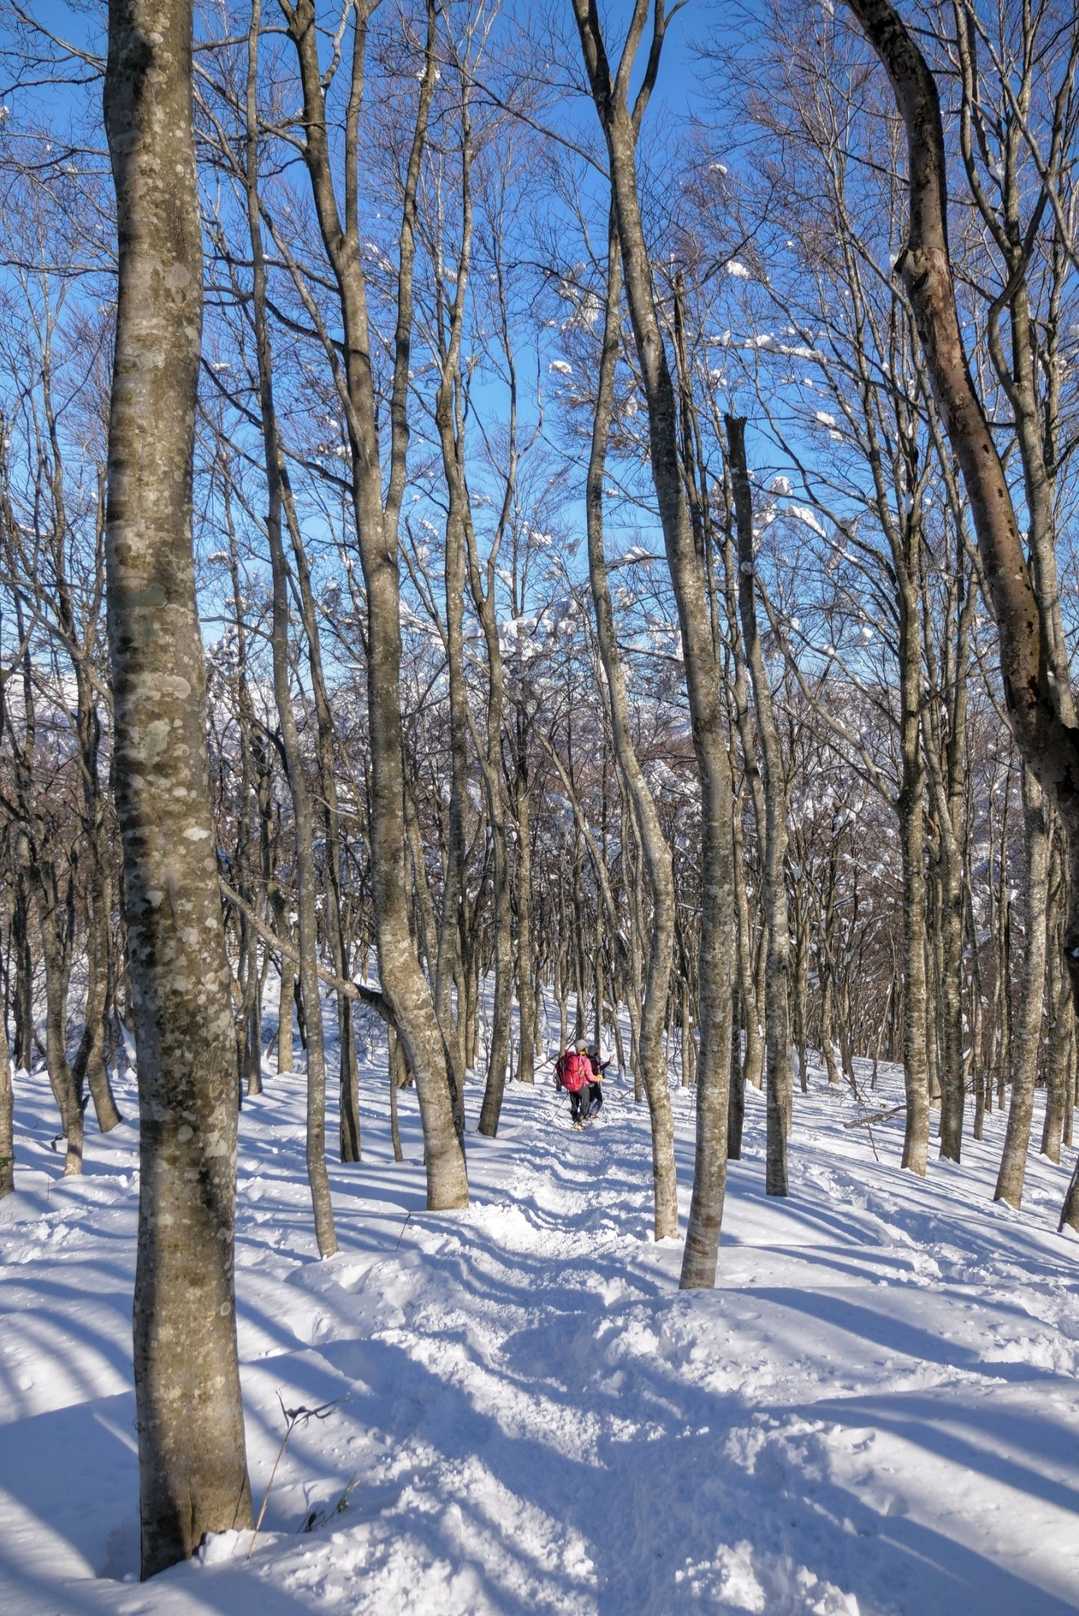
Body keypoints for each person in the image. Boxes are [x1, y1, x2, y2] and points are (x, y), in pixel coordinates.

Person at [555, 1040, 594, 1128]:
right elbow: (590, 1076)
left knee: (574, 1104)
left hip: (570, 1085)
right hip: (581, 1086)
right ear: (583, 1048)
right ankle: (579, 1119)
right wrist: (597, 1078)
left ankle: (575, 1119)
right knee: (585, 1102)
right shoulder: (584, 1059)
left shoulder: (570, 1058)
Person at [586, 1046, 611, 1119]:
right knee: (599, 1099)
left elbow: (599, 1068)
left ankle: (588, 1113)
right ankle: (591, 1113)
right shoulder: (591, 1061)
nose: (597, 1053)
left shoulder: (591, 1060)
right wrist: (598, 1075)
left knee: (592, 1099)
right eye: (595, 1052)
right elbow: (595, 1070)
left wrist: (608, 1062)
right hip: (592, 1083)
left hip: (592, 1082)